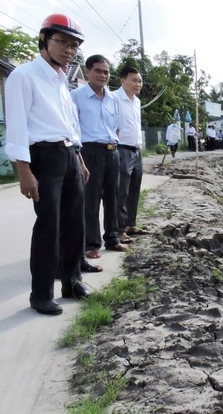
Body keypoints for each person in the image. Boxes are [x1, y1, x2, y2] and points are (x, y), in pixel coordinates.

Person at [5, 14, 90, 315]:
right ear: (44, 39)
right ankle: (41, 294)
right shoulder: (24, 76)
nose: (68, 50)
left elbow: (68, 124)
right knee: (48, 226)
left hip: (68, 154)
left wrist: (78, 158)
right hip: (43, 156)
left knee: (73, 222)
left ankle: (72, 281)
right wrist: (24, 170)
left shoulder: (61, 80)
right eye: (62, 42)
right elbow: (16, 127)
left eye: (74, 45)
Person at [71, 54, 129, 260]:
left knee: (113, 196)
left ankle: (112, 238)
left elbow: (117, 128)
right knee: (91, 198)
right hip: (89, 151)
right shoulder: (76, 97)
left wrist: (111, 147)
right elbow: (73, 129)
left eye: (106, 71)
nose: (103, 75)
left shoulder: (114, 99)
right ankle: (91, 243)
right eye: (98, 70)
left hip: (112, 151)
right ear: (88, 72)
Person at [113, 66, 150, 245]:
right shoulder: (113, 98)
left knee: (134, 189)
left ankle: (130, 224)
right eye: (134, 80)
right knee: (121, 191)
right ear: (122, 80)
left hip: (136, 149)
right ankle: (118, 230)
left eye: (140, 81)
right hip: (121, 149)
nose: (138, 84)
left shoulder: (136, 102)